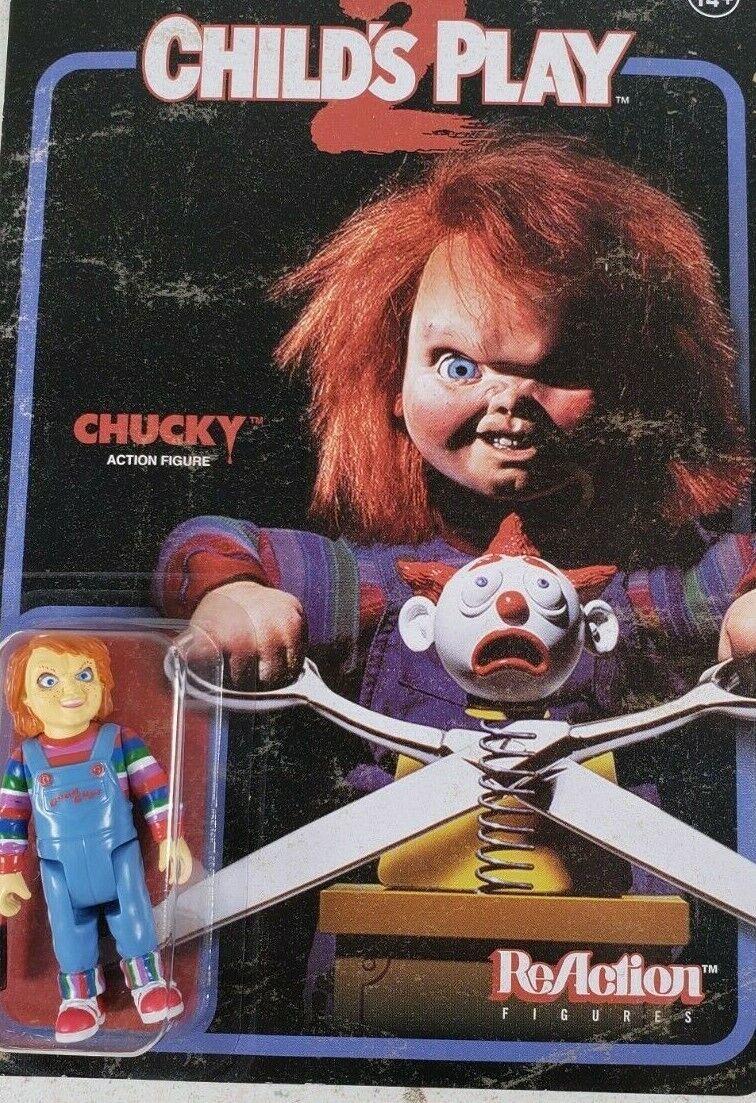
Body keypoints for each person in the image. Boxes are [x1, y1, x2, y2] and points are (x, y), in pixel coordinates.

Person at [155, 133, 755, 755]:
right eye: (459, 367)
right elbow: (209, 541)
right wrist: (234, 594)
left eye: (562, 367)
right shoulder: (372, 582)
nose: (510, 399)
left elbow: (736, 567)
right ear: (392, 378)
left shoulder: (651, 582)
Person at [0, 633, 192, 1044]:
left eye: (84, 675)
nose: (70, 689)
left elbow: (155, 787)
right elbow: (10, 816)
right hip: (59, 868)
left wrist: (169, 836)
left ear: (103, 684)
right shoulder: (24, 760)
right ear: (25, 699)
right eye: (48, 681)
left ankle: (148, 983)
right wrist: (8, 870)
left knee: (134, 919)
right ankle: (79, 999)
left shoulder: (120, 741)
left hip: (118, 854)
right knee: (69, 933)